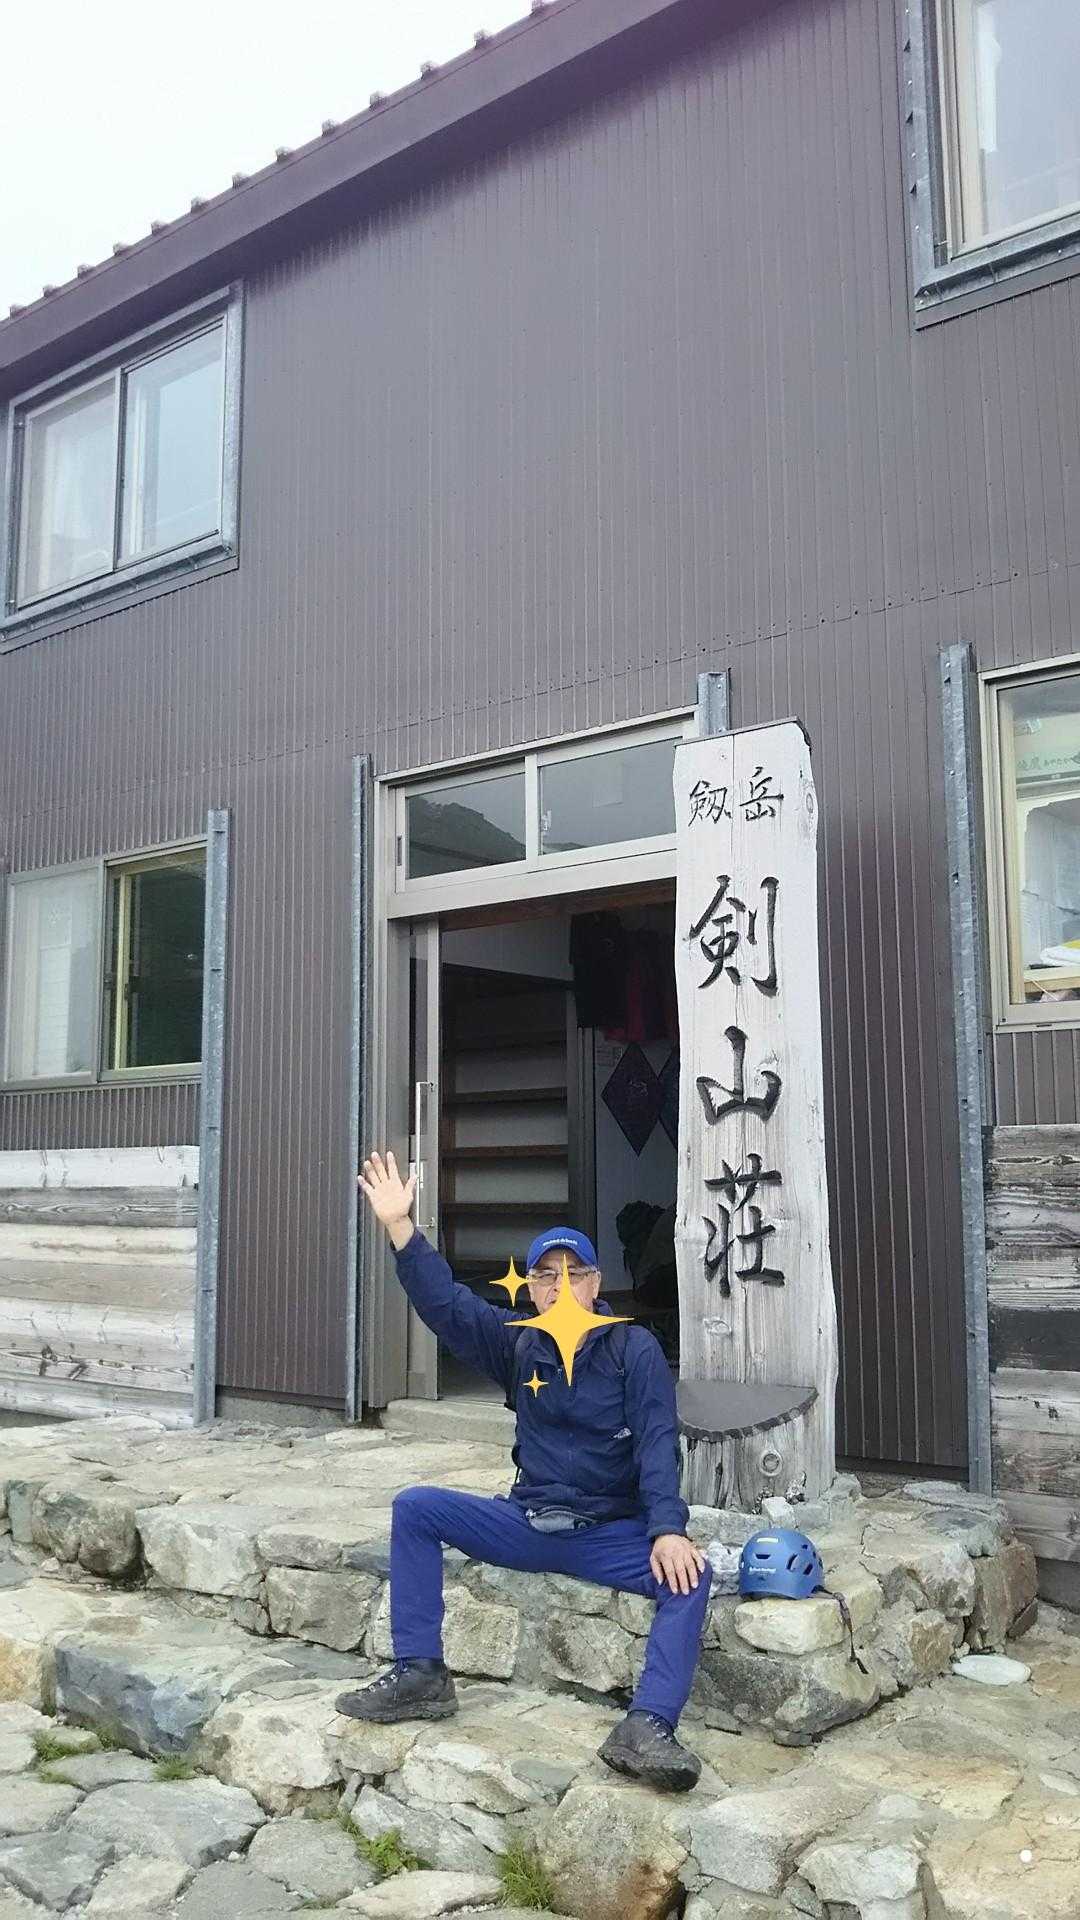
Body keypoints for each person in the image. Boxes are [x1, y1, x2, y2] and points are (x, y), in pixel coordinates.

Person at [335, 1150, 711, 1793]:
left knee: (690, 1577)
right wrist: (400, 1227)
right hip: (527, 1523)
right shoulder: (517, 1342)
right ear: (532, 1289)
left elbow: (657, 1443)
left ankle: (648, 1725)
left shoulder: (634, 1349)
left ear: (595, 1284)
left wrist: (668, 1529)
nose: (560, 1286)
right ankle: (421, 1674)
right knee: (416, 1507)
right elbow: (447, 1305)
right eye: (545, 1276)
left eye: (574, 1273)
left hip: (606, 1533)